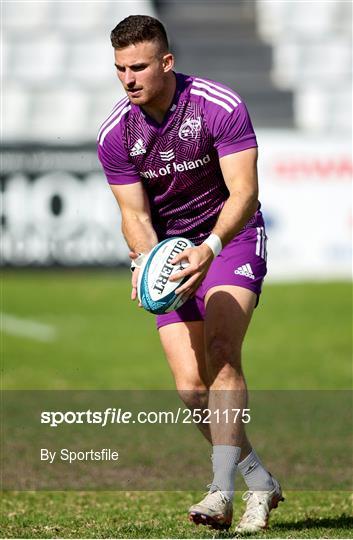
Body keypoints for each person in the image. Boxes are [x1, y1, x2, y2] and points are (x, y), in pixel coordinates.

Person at [97, 14, 284, 534]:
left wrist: (211, 247)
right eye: (119, 69)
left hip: (231, 237)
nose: (129, 79)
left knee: (223, 354)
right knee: (190, 389)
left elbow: (245, 194)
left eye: (138, 67)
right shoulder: (116, 134)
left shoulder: (217, 106)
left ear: (167, 62)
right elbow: (134, 215)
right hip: (173, 252)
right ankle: (259, 482)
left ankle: (222, 492)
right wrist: (143, 260)